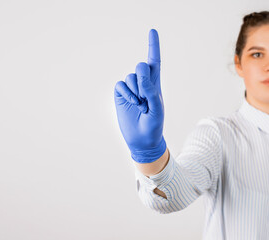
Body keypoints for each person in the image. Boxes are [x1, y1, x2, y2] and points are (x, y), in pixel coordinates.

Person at [114, 11, 269, 240]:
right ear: (238, 63)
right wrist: (149, 154)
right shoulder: (218, 136)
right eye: (257, 54)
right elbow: (174, 193)